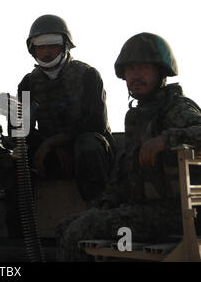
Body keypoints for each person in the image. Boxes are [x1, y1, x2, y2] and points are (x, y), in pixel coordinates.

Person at [55, 32, 201, 261]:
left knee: (79, 232)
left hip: (173, 216)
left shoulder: (176, 108)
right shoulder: (137, 117)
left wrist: (166, 139)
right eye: (131, 70)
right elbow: (123, 175)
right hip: (141, 212)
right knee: (65, 227)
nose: (136, 76)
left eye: (144, 68)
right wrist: (106, 204)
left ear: (161, 72)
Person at [17, 14, 115, 205]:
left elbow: (96, 123)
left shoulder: (88, 75)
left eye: (53, 45)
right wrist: (46, 146)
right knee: (15, 152)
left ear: (65, 46)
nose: (46, 52)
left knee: (89, 143)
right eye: (41, 46)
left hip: (91, 154)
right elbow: (21, 130)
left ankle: (100, 209)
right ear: (33, 49)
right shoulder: (28, 83)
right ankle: (16, 224)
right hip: (51, 156)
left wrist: (53, 142)